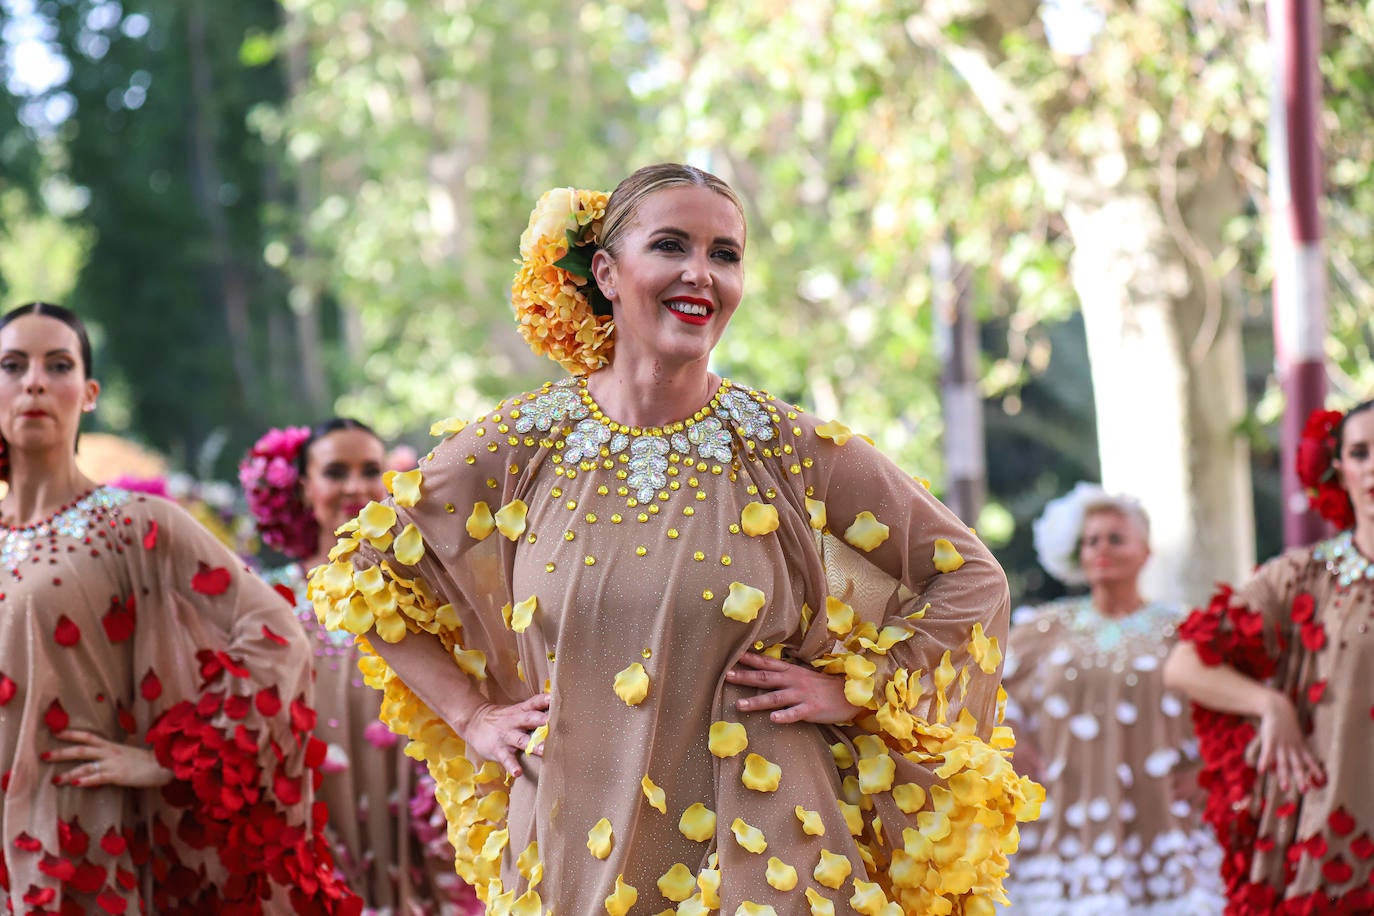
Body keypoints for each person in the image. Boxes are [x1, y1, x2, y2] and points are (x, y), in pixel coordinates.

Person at [308, 163, 1042, 914]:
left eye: (725, 254)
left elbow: (971, 576)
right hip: (571, 840)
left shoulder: (786, 445)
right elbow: (362, 570)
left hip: (769, 845)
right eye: (670, 246)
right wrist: (471, 716)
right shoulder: (522, 442)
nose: (701, 274)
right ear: (606, 272)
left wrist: (858, 688)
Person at [0, 302, 358, 913]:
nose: (34, 381)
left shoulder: (137, 523)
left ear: (89, 393)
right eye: (12, 365)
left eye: (57, 365)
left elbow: (275, 634)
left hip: (77, 830)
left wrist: (167, 760)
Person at [241, 419, 480, 914]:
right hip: (313, 799)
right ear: (305, 488)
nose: (354, 486)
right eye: (335, 472)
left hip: (407, 790)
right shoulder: (268, 599)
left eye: (370, 470)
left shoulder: (426, 588)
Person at [1164, 401, 1374, 913]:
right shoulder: (1301, 577)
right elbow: (1185, 665)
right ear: (1339, 470)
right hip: (1335, 830)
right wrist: (1268, 704)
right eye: (1360, 452)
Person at [1000, 483, 1223, 913]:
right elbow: (987, 690)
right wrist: (1014, 741)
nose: (1101, 548)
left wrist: (1209, 769)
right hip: (1063, 822)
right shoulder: (1043, 627)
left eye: (1116, 538)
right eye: (1091, 541)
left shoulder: (1183, 628)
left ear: (1146, 552)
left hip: (1162, 820)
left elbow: (1229, 710)